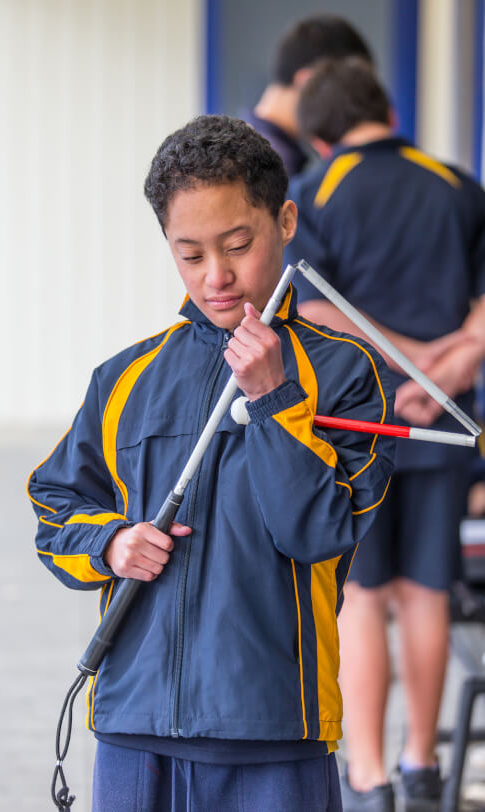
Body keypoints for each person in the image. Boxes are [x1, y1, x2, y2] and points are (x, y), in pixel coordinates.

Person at [28, 114, 395, 812]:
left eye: (237, 245)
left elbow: (316, 532)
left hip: (274, 730)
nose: (217, 276)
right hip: (133, 725)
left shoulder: (349, 374)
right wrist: (110, 542)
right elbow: (54, 508)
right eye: (190, 254)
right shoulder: (125, 377)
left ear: (285, 221)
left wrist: (273, 398)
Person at [285, 58, 485, 812]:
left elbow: (315, 308)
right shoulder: (458, 185)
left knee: (364, 597)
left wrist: (404, 365)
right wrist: (446, 366)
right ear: (389, 115)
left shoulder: (314, 191)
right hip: (447, 422)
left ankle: (367, 779)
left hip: (360, 421)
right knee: (427, 593)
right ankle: (420, 767)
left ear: (321, 135)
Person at [244, 14, 373, 177]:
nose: (352, 113)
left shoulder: (255, 153)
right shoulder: (264, 169)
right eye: (349, 94)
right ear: (308, 83)